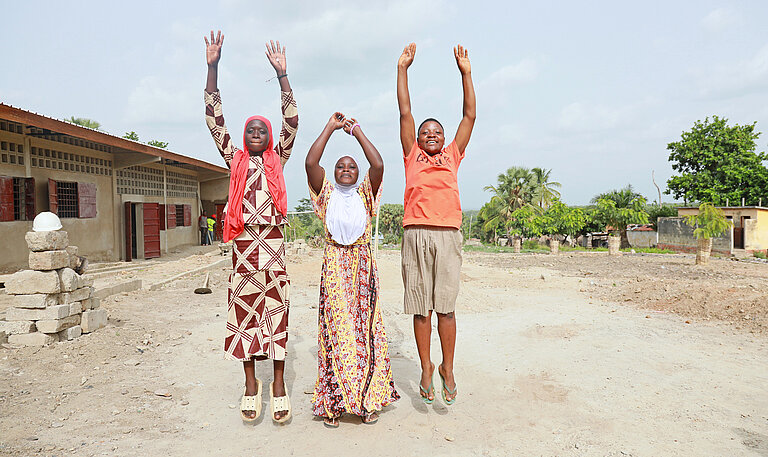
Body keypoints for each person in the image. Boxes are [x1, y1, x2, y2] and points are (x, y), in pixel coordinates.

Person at [203, 30, 298, 423]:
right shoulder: (235, 159)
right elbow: (214, 120)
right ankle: (250, 383)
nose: (256, 134)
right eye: (250, 131)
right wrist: (213, 68)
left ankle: (278, 383)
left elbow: (292, 122)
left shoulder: (279, 158)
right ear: (243, 138)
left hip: (272, 246)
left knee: (275, 311)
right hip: (243, 247)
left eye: (262, 131)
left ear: (269, 138)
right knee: (244, 316)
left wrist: (282, 76)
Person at [305, 112, 399, 427]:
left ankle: (369, 400)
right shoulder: (326, 194)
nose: (346, 169)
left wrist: (356, 131)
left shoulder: (366, 194)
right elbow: (310, 163)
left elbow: (379, 164)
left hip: (363, 266)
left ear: (359, 174)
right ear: (333, 174)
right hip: (334, 265)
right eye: (340, 166)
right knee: (337, 332)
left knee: (366, 332)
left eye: (352, 167)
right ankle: (334, 404)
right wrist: (330, 128)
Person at [396, 42, 476, 405]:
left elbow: (469, 116)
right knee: (420, 308)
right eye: (425, 132)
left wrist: (465, 74)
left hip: (447, 236)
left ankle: (448, 367)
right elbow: (405, 111)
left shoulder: (452, 155)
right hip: (415, 233)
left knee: (446, 307)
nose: (431, 135)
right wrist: (403, 69)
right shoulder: (411, 155)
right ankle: (426, 366)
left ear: (444, 139)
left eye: (437, 133)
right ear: (416, 139)